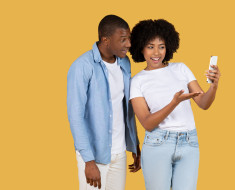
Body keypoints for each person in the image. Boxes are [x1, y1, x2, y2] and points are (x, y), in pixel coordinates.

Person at [129, 19, 221, 190]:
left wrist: (213, 86)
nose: (156, 52)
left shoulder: (181, 68)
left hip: (189, 142)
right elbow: (147, 123)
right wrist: (174, 103)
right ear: (140, 47)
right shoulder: (137, 81)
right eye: (150, 46)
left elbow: (203, 103)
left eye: (161, 46)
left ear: (168, 47)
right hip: (158, 144)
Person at [67, 15, 141, 190]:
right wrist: (88, 161)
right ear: (105, 40)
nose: (129, 44)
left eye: (129, 38)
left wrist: (135, 145)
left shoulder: (124, 62)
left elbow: (126, 108)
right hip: (95, 154)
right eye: (123, 39)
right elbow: (75, 115)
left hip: (119, 151)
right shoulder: (82, 66)